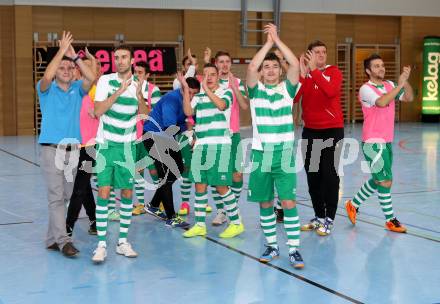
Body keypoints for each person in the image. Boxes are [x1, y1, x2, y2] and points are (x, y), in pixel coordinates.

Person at [246, 23, 304, 268]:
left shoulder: (287, 90)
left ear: (281, 71)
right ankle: (272, 245)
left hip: (283, 154)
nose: (270, 70)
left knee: (288, 202)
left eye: (274, 67)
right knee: (265, 202)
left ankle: (294, 249)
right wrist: (268, 44)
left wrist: (277, 39)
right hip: (261, 154)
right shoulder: (255, 92)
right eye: (266, 67)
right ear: (261, 73)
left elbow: (296, 65)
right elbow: (250, 67)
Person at [37, 31, 95, 257]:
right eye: (62, 68)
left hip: (73, 151)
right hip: (52, 149)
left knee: (66, 195)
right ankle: (63, 241)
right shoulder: (46, 90)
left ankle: (52, 238)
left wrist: (75, 57)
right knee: (55, 195)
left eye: (70, 68)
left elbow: (91, 78)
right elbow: (47, 76)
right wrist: (61, 52)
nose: (67, 70)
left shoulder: (77, 90)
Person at [91, 45, 149, 263]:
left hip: (127, 146)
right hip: (106, 145)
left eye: (124, 57)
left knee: (127, 193)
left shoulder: (138, 85)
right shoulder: (106, 81)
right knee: (104, 193)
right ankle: (101, 245)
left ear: (132, 60)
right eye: (117, 57)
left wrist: (138, 94)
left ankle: (122, 242)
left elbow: (144, 115)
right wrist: (119, 91)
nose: (120, 60)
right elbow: (98, 111)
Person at [345, 54, 413, 233]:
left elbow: (409, 98)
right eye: (376, 66)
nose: (381, 68)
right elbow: (382, 102)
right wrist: (399, 85)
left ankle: (353, 204)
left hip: (387, 140)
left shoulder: (390, 85)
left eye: (382, 65)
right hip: (373, 142)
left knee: (379, 179)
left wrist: (404, 82)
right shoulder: (365, 89)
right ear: (368, 71)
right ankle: (390, 220)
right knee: (385, 181)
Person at [181, 63, 245, 239]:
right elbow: (187, 111)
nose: (208, 77)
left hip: (220, 146)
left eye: (212, 74)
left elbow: (222, 106)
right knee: (199, 184)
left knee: (221, 186)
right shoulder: (199, 96)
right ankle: (200, 225)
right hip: (201, 145)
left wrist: (206, 91)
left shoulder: (226, 91)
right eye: (206, 74)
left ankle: (237, 223)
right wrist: (187, 90)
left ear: (218, 76)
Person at [294, 40, 344, 236]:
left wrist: (314, 71)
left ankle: (329, 218)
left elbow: (331, 91)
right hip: (311, 131)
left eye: (324, 52)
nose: (322, 55)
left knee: (329, 176)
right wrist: (301, 73)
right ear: (309, 54)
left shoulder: (334, 72)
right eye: (317, 52)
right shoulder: (307, 76)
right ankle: (318, 216)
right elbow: (295, 97)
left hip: (332, 130)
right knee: (313, 176)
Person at [142, 76, 201, 227]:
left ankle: (153, 205)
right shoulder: (172, 100)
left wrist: (192, 131)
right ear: (182, 90)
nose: (192, 96)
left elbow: (189, 122)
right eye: (189, 93)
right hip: (154, 135)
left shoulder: (191, 103)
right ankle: (171, 217)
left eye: (195, 93)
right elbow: (171, 128)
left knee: (178, 169)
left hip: (167, 137)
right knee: (166, 175)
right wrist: (187, 130)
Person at [66, 48, 101, 236]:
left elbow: (92, 76)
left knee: (79, 188)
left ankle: (67, 228)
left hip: (90, 147)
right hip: (73, 146)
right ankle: (95, 220)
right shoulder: (67, 92)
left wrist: (91, 60)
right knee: (84, 186)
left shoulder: (91, 90)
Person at [132, 60, 161, 216]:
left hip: (150, 136)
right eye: (135, 72)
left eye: (140, 72)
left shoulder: (153, 90)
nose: (137, 75)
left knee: (155, 171)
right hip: (134, 136)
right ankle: (141, 204)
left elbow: (152, 115)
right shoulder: (128, 89)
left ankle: (161, 201)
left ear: (147, 74)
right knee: (138, 170)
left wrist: (140, 97)